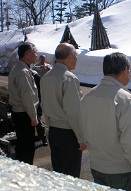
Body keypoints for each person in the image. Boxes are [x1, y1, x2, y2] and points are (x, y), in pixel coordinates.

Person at [80, 52, 131, 191]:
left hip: (97, 167)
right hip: (120, 171)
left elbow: (83, 130)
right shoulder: (124, 99)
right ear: (124, 70)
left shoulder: (89, 96)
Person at [40, 43, 86, 178]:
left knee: (59, 175)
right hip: (68, 134)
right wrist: (81, 137)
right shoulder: (69, 78)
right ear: (70, 57)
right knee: (71, 176)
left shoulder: (46, 77)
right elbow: (73, 112)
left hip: (53, 131)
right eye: (76, 56)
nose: (77, 58)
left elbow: (43, 104)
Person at [8, 42, 39, 165]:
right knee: (27, 149)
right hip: (24, 114)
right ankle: (26, 176)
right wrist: (33, 117)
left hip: (18, 113)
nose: (36, 55)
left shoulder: (18, 68)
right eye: (34, 52)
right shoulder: (23, 71)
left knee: (22, 146)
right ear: (27, 53)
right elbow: (27, 97)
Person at [30, 69, 48, 146]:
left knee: (38, 121)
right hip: (29, 102)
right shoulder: (25, 74)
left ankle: (43, 138)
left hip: (36, 102)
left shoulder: (34, 75)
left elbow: (40, 90)